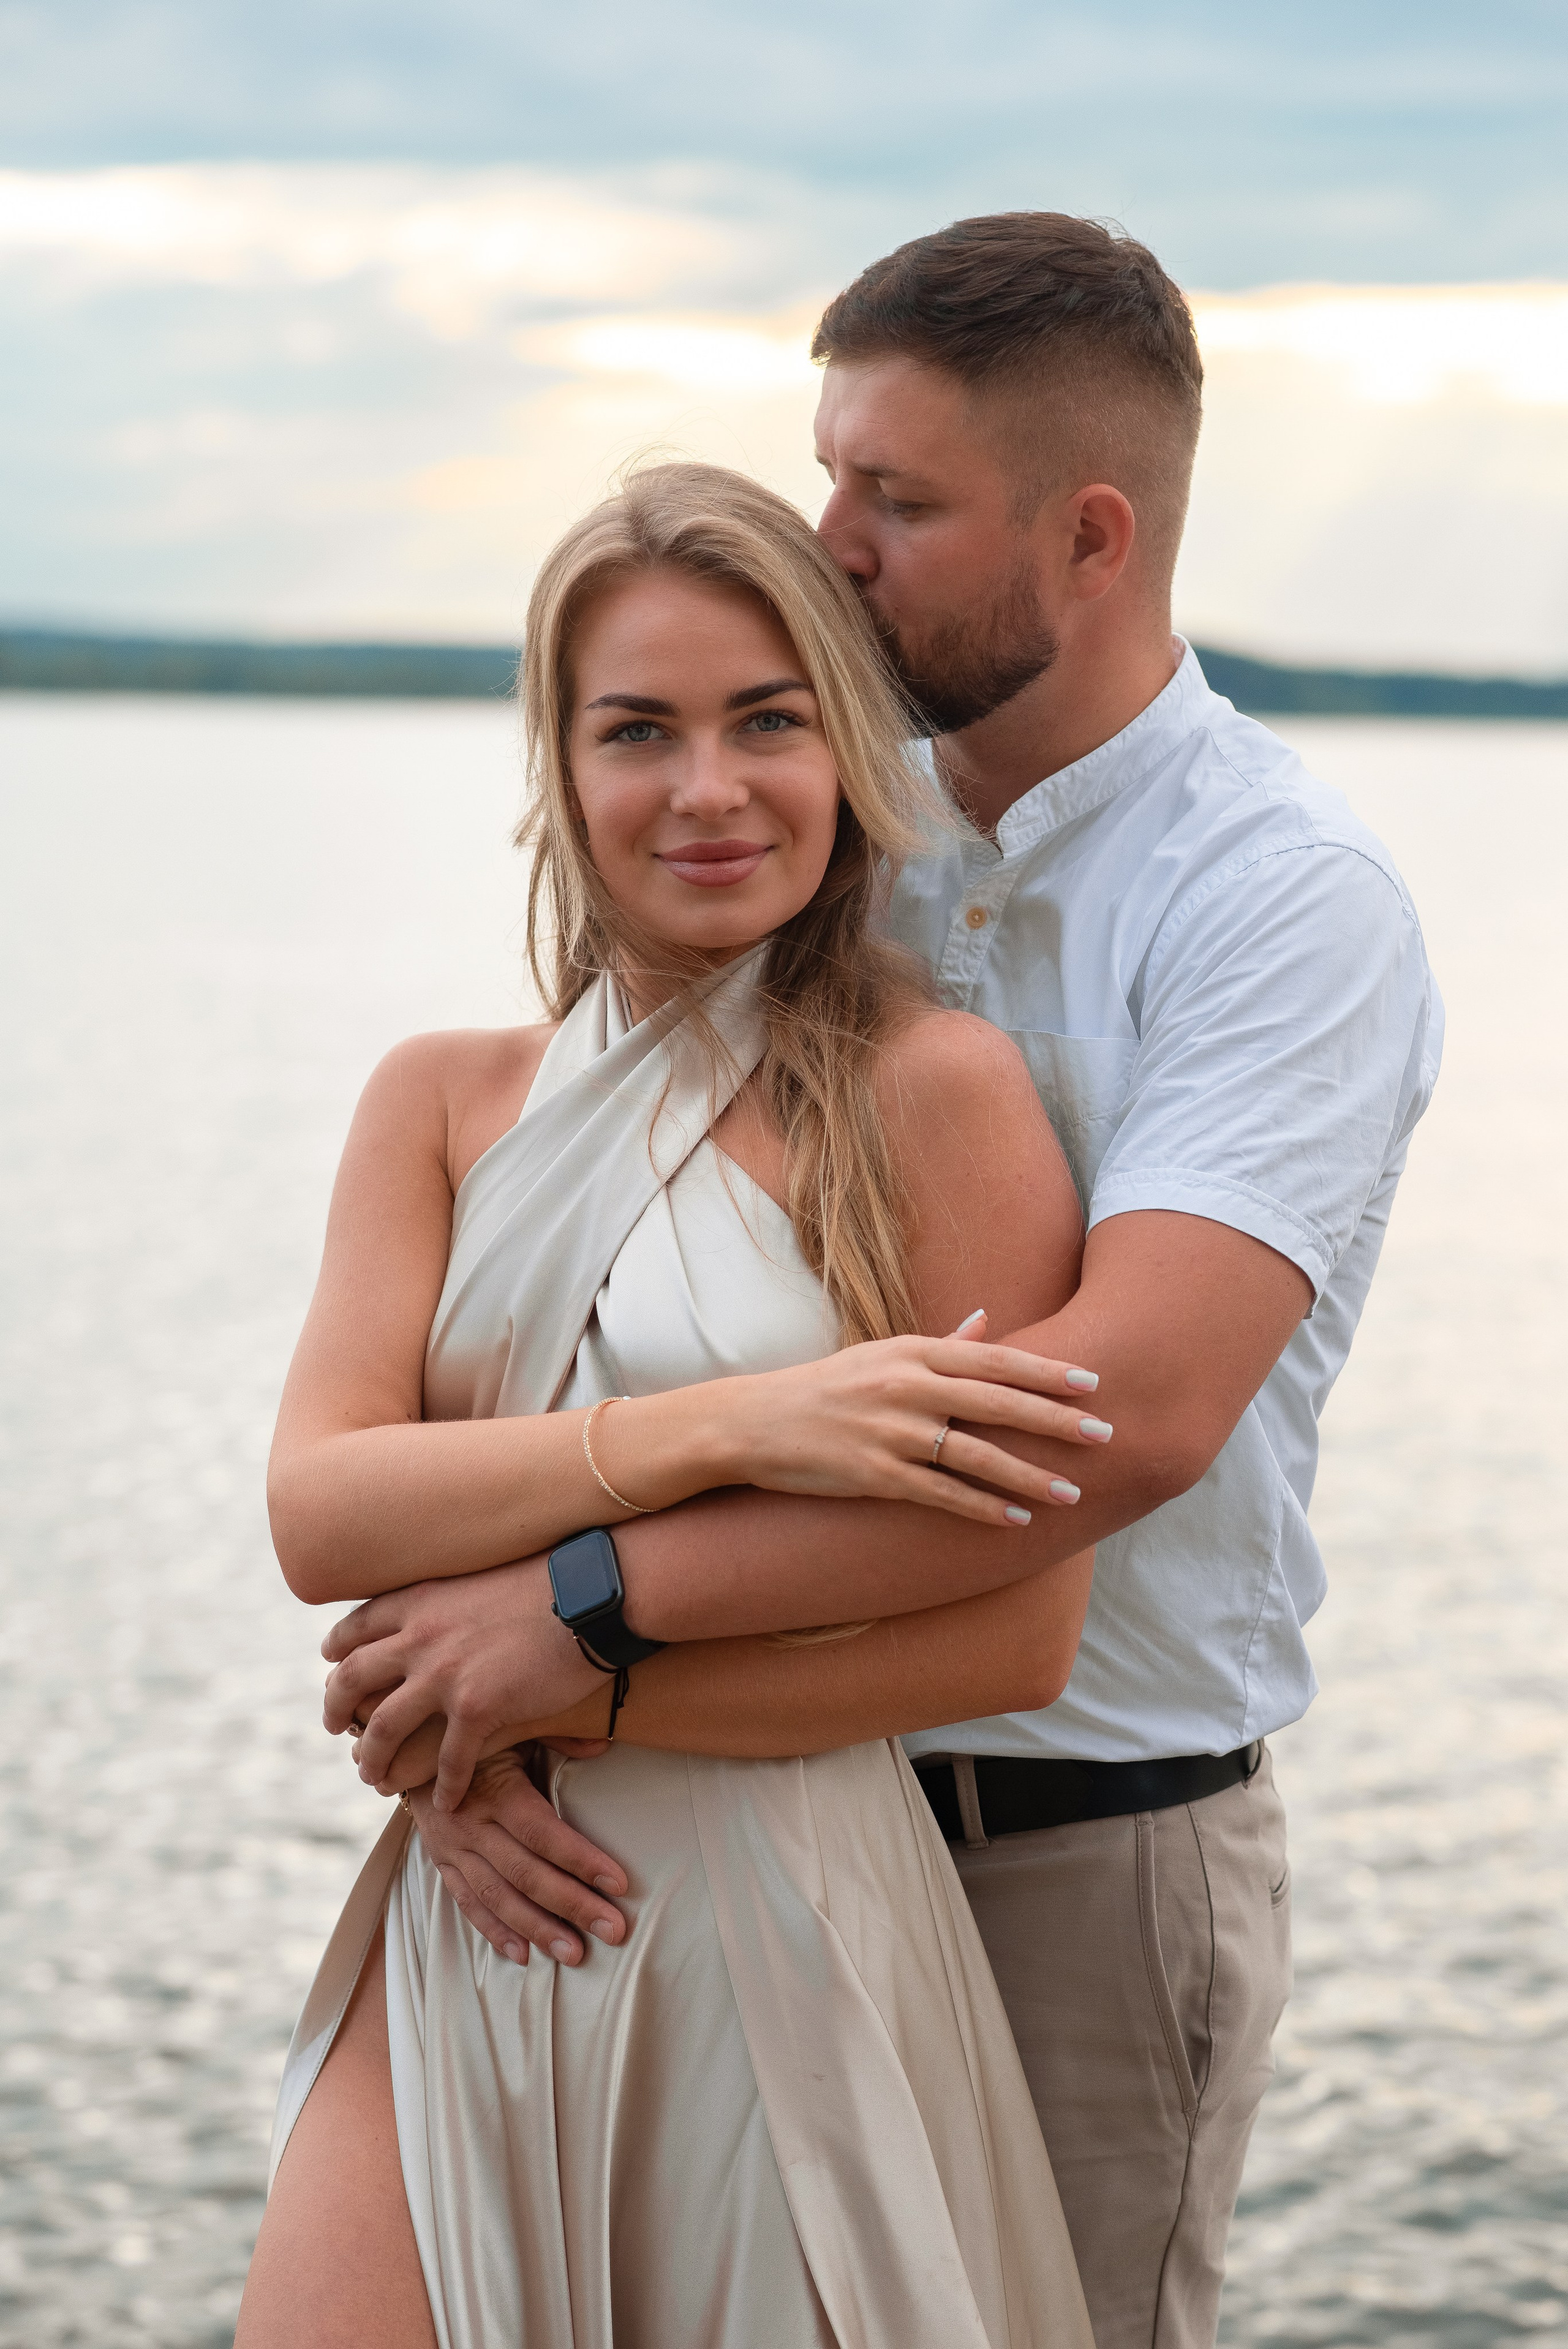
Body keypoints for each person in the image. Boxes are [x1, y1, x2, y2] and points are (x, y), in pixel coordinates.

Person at [322, 215, 1443, 2349]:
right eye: (827, 472)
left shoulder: (1282, 905)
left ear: (1089, 535)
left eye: (894, 501)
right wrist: (490, 1725)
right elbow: (577, 1252)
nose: (825, 543)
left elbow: (1110, 1426)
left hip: (1065, 1852)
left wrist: (575, 1618)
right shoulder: (823, 816)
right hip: (668, 1834)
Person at [238, 462, 1109, 2348]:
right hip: (463, 1910)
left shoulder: (936, 1094)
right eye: (640, 729)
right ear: (560, 770)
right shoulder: (440, 1100)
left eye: (768, 721)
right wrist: (733, 1429)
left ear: (844, 750)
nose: (709, 787)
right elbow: (325, 1511)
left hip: (781, 1932)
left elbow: (1026, 1625)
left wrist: (556, 1684)